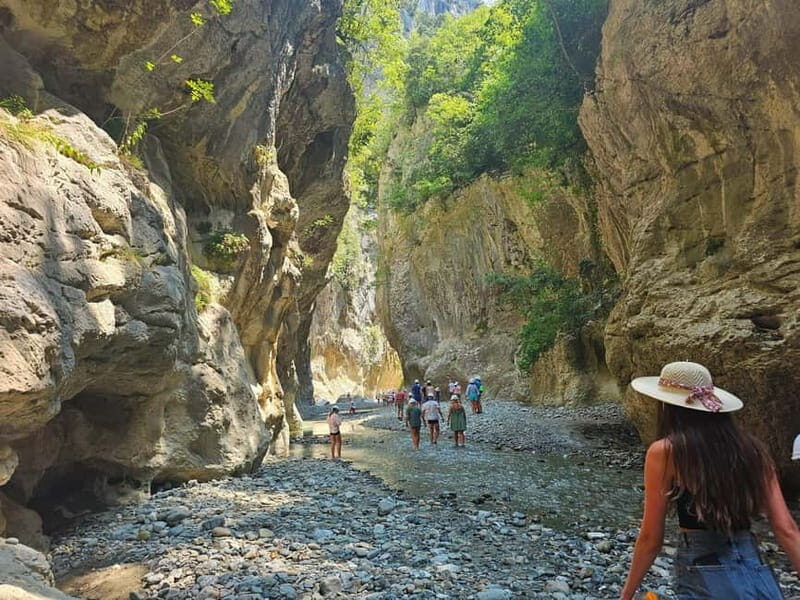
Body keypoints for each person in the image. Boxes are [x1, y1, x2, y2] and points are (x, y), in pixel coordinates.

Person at [620, 361, 800, 600]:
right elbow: (786, 528)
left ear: (667, 406)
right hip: (756, 570)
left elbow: (651, 538)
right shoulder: (754, 450)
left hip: (702, 570)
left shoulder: (667, 452)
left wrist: (626, 595)